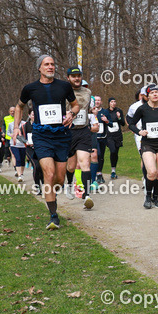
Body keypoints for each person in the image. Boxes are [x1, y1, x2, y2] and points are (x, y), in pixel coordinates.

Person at [14, 54, 78, 230]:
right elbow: (19, 106)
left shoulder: (64, 86)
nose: (50, 67)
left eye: (52, 64)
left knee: (59, 178)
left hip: (61, 135)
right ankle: (53, 216)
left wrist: (72, 114)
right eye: (46, 64)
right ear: (39, 68)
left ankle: (52, 195)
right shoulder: (30, 88)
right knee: (48, 175)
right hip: (41, 136)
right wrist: (16, 128)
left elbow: (76, 105)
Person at [126, 85, 158, 208]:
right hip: (147, 143)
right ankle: (147, 197)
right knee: (152, 172)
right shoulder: (142, 109)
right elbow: (131, 124)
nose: (155, 94)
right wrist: (139, 132)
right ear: (147, 95)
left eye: (157, 92)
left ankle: (156, 198)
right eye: (152, 92)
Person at [63, 67, 96, 210]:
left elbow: (88, 110)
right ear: (68, 77)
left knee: (85, 163)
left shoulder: (87, 92)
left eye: (79, 76)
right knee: (71, 166)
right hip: (69, 132)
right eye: (73, 76)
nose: (76, 78)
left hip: (83, 131)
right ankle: (69, 184)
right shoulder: (63, 91)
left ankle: (87, 195)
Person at [99, 97, 124, 180]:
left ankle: (113, 171)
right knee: (112, 150)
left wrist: (119, 117)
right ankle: (102, 172)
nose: (113, 103)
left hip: (117, 135)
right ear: (109, 103)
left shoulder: (119, 111)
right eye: (112, 102)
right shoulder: (106, 112)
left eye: (114, 101)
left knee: (115, 153)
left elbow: (123, 123)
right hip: (109, 135)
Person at [11, 118, 28, 182]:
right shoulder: (11, 124)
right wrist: (11, 135)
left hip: (23, 145)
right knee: (17, 159)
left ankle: (22, 173)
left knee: (22, 159)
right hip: (14, 144)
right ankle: (19, 175)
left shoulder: (24, 124)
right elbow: (8, 133)